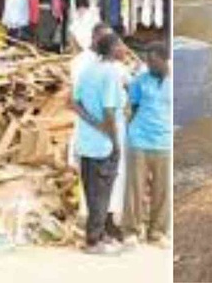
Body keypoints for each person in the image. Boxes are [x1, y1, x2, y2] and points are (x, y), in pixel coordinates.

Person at [72, 33, 127, 254]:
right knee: (102, 194)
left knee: (91, 192)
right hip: (104, 145)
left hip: (86, 142)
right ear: (112, 49)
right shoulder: (111, 73)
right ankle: (93, 241)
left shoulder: (87, 70)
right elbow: (109, 111)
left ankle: (100, 234)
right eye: (121, 45)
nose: (124, 49)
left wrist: (93, 123)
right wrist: (114, 140)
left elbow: (75, 103)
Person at [122, 41, 172, 248]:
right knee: (135, 189)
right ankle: (131, 231)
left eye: (153, 61)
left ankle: (157, 232)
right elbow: (132, 109)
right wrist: (130, 133)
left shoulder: (173, 83)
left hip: (165, 142)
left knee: (163, 191)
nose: (149, 64)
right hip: (139, 141)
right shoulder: (139, 82)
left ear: (165, 60)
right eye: (147, 60)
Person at [68, 23, 112, 221]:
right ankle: (88, 219)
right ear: (95, 38)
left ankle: (100, 219)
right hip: (90, 125)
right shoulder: (81, 62)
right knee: (89, 175)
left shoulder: (105, 62)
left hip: (104, 127)